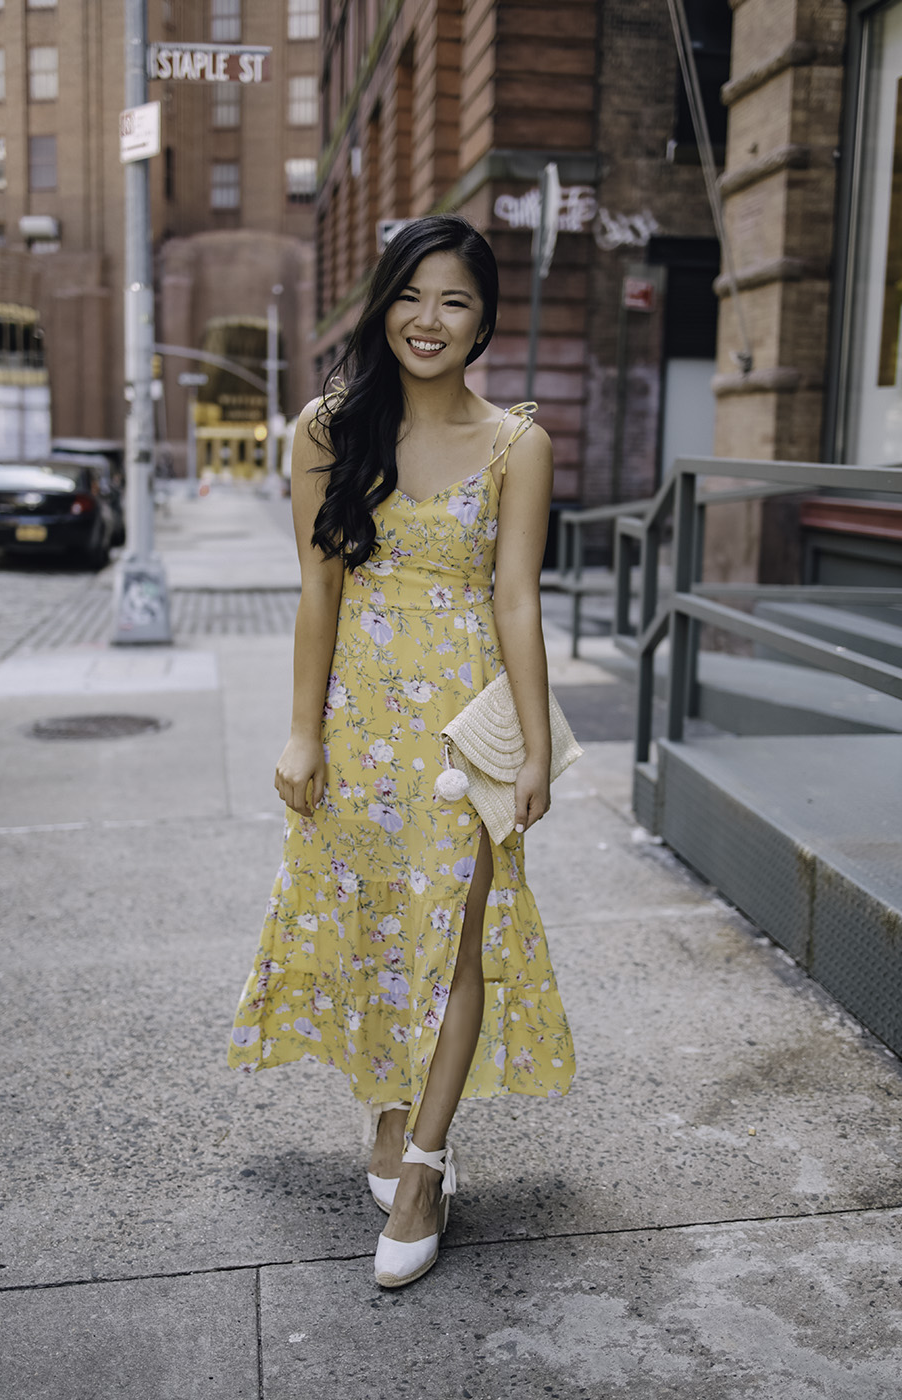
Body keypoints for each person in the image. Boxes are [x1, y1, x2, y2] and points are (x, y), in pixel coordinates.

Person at [228, 213, 575, 1288]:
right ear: (384, 305)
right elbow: (318, 591)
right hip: (356, 723)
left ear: (483, 322)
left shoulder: (518, 444)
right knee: (378, 926)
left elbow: (516, 601)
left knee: (458, 941)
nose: (429, 319)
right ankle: (390, 1109)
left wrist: (531, 748)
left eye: (455, 300)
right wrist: (301, 732)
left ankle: (424, 1165)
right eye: (412, 296)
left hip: (463, 731)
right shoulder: (327, 430)